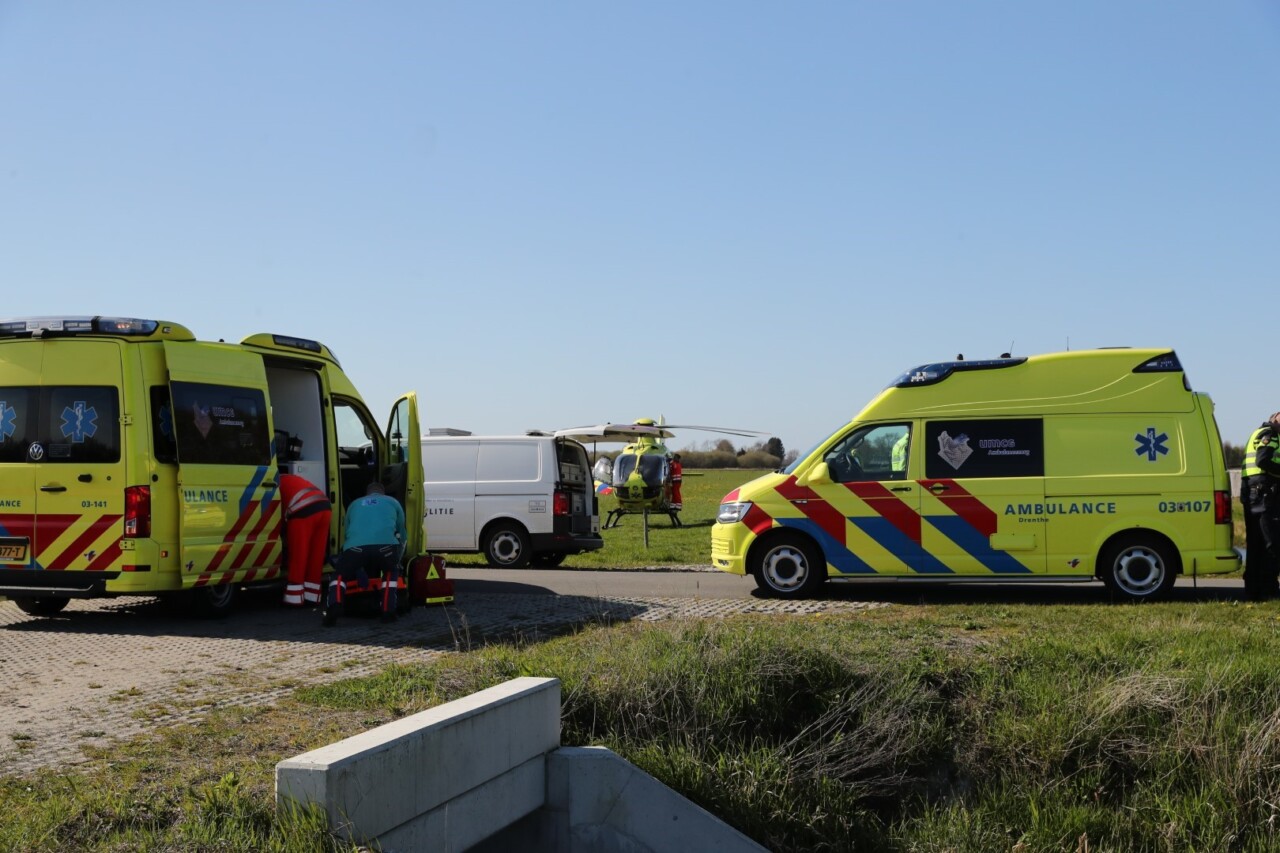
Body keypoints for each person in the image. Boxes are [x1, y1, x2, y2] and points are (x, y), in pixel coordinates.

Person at [322, 482, 407, 626]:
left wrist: (352, 558)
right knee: (390, 573)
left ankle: (335, 606)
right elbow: (402, 532)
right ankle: (388, 612)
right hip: (386, 547)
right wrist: (398, 558)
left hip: (355, 548)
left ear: (367, 494)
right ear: (383, 493)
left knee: (339, 575)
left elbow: (347, 532)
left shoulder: (354, 504)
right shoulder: (393, 502)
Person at [278, 473, 332, 606]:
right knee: (316, 555)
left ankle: (294, 598)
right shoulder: (288, 478)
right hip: (325, 506)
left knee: (298, 554)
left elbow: (277, 519)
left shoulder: (272, 485)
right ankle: (312, 597)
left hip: (302, 509)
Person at [1243, 413, 1280, 600]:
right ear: (1275, 419)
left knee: (1255, 543)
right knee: (1271, 543)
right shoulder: (1271, 434)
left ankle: (1253, 590)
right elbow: (1262, 461)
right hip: (1265, 494)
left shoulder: (1257, 432)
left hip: (1253, 494)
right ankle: (1269, 590)